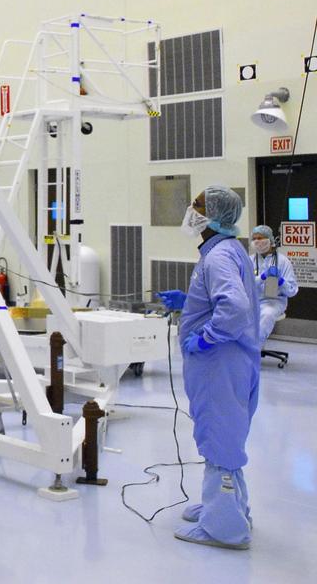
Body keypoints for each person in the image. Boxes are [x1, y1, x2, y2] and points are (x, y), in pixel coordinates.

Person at [156, 186, 260, 550]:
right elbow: (229, 298)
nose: (191, 209)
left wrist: (205, 338)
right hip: (232, 361)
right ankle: (226, 506)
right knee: (224, 434)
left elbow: (234, 308)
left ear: (215, 214)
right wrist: (191, 302)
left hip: (219, 361)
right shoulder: (229, 251)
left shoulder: (217, 258)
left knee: (219, 435)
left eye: (198, 204)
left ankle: (225, 528)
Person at [249, 224, 297, 342]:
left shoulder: (282, 261)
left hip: (274, 302)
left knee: (267, 314)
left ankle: (254, 349)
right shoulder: (250, 260)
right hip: (252, 301)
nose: (256, 241)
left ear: (269, 240)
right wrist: (262, 277)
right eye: (254, 239)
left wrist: (281, 281)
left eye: (260, 238)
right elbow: (245, 285)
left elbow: (292, 291)